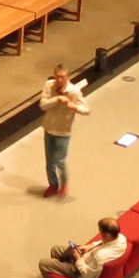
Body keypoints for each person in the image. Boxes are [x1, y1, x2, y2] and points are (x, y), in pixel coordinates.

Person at [40, 216, 128, 278]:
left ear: (108, 235)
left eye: (100, 231)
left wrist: (78, 259)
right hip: (87, 259)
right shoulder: (121, 239)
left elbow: (87, 274)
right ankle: (59, 270)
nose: (99, 233)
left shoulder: (100, 256)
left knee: (44, 264)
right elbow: (103, 243)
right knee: (55, 250)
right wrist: (90, 246)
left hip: (80, 271)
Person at [38, 65, 89, 197]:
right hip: (49, 129)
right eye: (57, 77)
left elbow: (86, 110)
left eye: (62, 77)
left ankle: (64, 183)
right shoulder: (49, 85)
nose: (59, 80)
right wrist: (57, 99)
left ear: (68, 77)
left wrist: (74, 106)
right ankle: (53, 185)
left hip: (63, 131)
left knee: (60, 161)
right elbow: (43, 105)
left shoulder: (74, 92)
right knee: (49, 164)